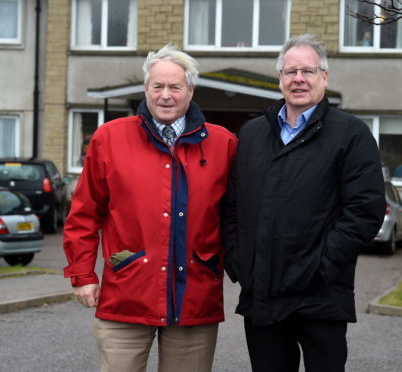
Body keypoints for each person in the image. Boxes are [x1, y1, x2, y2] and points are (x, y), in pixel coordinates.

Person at [63, 44, 238, 372]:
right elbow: (85, 213)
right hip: (126, 291)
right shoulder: (109, 139)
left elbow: (236, 217)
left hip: (195, 298)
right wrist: (82, 274)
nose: (166, 96)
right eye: (158, 86)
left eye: (175, 87)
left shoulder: (223, 143)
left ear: (190, 91)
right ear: (146, 89)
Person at [221, 33, 386, 372]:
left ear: (324, 78)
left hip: (320, 298)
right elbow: (232, 205)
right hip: (262, 297)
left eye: (308, 71)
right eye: (290, 71)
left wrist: (319, 267)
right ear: (280, 79)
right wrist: (240, 263)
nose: (298, 79)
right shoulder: (252, 134)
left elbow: (365, 212)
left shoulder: (351, 134)